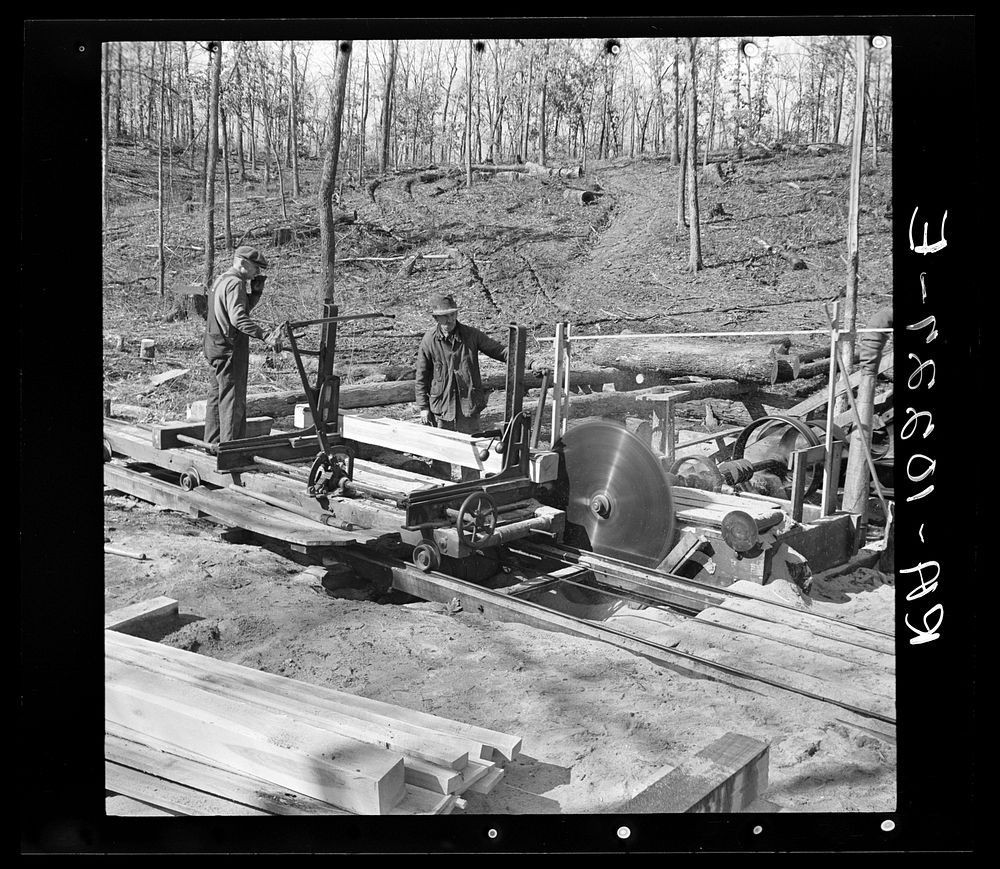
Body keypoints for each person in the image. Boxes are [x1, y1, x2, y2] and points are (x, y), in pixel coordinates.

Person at [415, 293, 509, 479]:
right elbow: (421, 377)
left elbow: (500, 351)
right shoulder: (429, 340)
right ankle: (442, 493)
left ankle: (470, 492)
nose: (450, 319)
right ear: (436, 318)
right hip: (442, 407)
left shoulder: (471, 335)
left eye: (453, 315)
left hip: (468, 405)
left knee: (471, 453)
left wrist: (530, 363)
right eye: (445, 316)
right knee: (442, 453)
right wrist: (423, 408)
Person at [203, 245, 282, 449]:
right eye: (256, 268)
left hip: (214, 345)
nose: (258, 273)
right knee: (233, 399)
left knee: (216, 395)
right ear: (243, 263)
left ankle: (212, 443)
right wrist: (266, 336)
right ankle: (231, 450)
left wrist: (254, 295)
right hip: (230, 349)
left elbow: (232, 311)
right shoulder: (236, 284)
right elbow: (238, 319)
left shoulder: (221, 280)